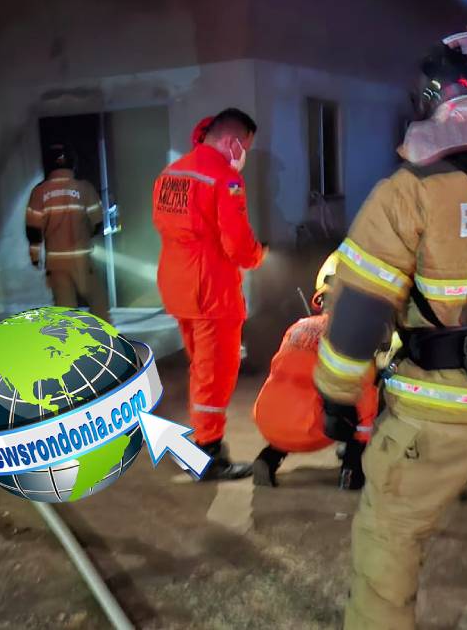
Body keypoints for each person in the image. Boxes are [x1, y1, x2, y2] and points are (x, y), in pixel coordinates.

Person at [313, 31, 467, 629]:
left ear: (431, 98)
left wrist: (337, 397)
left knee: (387, 558)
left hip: (428, 420)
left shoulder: (408, 192)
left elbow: (358, 314)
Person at [152, 108, 267, 481]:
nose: (243, 154)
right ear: (233, 141)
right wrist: (257, 255)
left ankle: (204, 443)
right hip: (211, 290)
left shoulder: (171, 173)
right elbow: (237, 244)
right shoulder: (224, 177)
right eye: (245, 145)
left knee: (200, 367)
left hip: (177, 284)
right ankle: (209, 454)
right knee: (215, 373)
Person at [250, 255, 378, 490]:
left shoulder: (297, 327)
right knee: (372, 391)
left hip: (268, 421)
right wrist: (360, 441)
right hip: (311, 429)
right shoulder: (351, 338)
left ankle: (268, 458)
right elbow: (365, 397)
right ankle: (351, 470)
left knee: (301, 393)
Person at [25, 144, 110, 323]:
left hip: (56, 263)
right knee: (98, 302)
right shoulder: (84, 189)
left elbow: (33, 230)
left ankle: (69, 347)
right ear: (72, 164)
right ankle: (106, 342)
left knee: (65, 312)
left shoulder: (39, 192)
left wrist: (35, 257)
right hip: (82, 260)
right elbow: (98, 223)